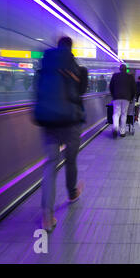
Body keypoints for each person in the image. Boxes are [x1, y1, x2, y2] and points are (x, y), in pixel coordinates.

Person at [34, 37, 86, 232]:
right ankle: (72, 193)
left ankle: (47, 216)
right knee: (70, 161)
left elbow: (37, 91)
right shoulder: (77, 69)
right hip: (71, 122)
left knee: (50, 165)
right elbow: (80, 93)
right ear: (71, 49)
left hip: (48, 122)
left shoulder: (44, 68)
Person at [109, 64, 136, 138]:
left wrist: (113, 95)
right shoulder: (130, 77)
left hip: (116, 97)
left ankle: (115, 127)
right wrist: (131, 98)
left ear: (119, 69)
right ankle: (122, 132)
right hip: (126, 98)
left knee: (116, 113)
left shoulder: (115, 76)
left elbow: (111, 86)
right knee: (124, 114)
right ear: (126, 69)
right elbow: (133, 88)